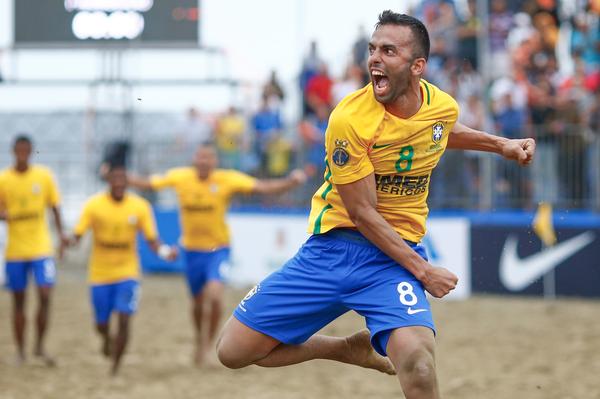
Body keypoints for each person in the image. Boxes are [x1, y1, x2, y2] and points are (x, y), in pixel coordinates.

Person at [215, 12, 535, 399]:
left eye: (388, 50)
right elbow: (362, 213)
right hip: (332, 251)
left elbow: (442, 130)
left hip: (390, 261)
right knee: (233, 352)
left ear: (417, 66)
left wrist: (501, 145)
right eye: (372, 49)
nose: (375, 59)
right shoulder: (349, 119)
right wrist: (424, 270)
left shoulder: (441, 106)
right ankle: (346, 348)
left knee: (418, 362)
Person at [127, 142, 307, 366]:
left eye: (208, 158)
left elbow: (262, 187)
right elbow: (149, 184)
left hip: (218, 250)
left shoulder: (226, 179)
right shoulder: (180, 177)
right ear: (194, 159)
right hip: (192, 251)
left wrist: (291, 182)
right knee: (197, 303)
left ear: (215, 161)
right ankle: (198, 338)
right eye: (200, 157)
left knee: (214, 295)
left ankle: (207, 344)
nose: (203, 161)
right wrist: (123, 178)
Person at [63, 165, 177, 376]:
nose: (118, 183)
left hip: (128, 271)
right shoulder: (94, 205)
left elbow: (152, 239)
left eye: (122, 179)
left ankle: (115, 366)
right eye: (114, 179)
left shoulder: (140, 206)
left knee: (124, 318)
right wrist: (67, 241)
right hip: (100, 273)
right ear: (108, 181)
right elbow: (77, 235)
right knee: (101, 323)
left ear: (127, 181)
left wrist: (165, 252)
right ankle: (106, 339)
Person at [0, 135, 67, 366]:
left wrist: (62, 237)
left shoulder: (44, 176)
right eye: (19, 150)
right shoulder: (4, 179)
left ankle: (39, 346)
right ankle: (20, 351)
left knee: (46, 294)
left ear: (30, 151)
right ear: (13, 151)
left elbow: (55, 208)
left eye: (26, 150)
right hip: (15, 250)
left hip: (41, 248)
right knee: (19, 301)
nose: (22, 154)